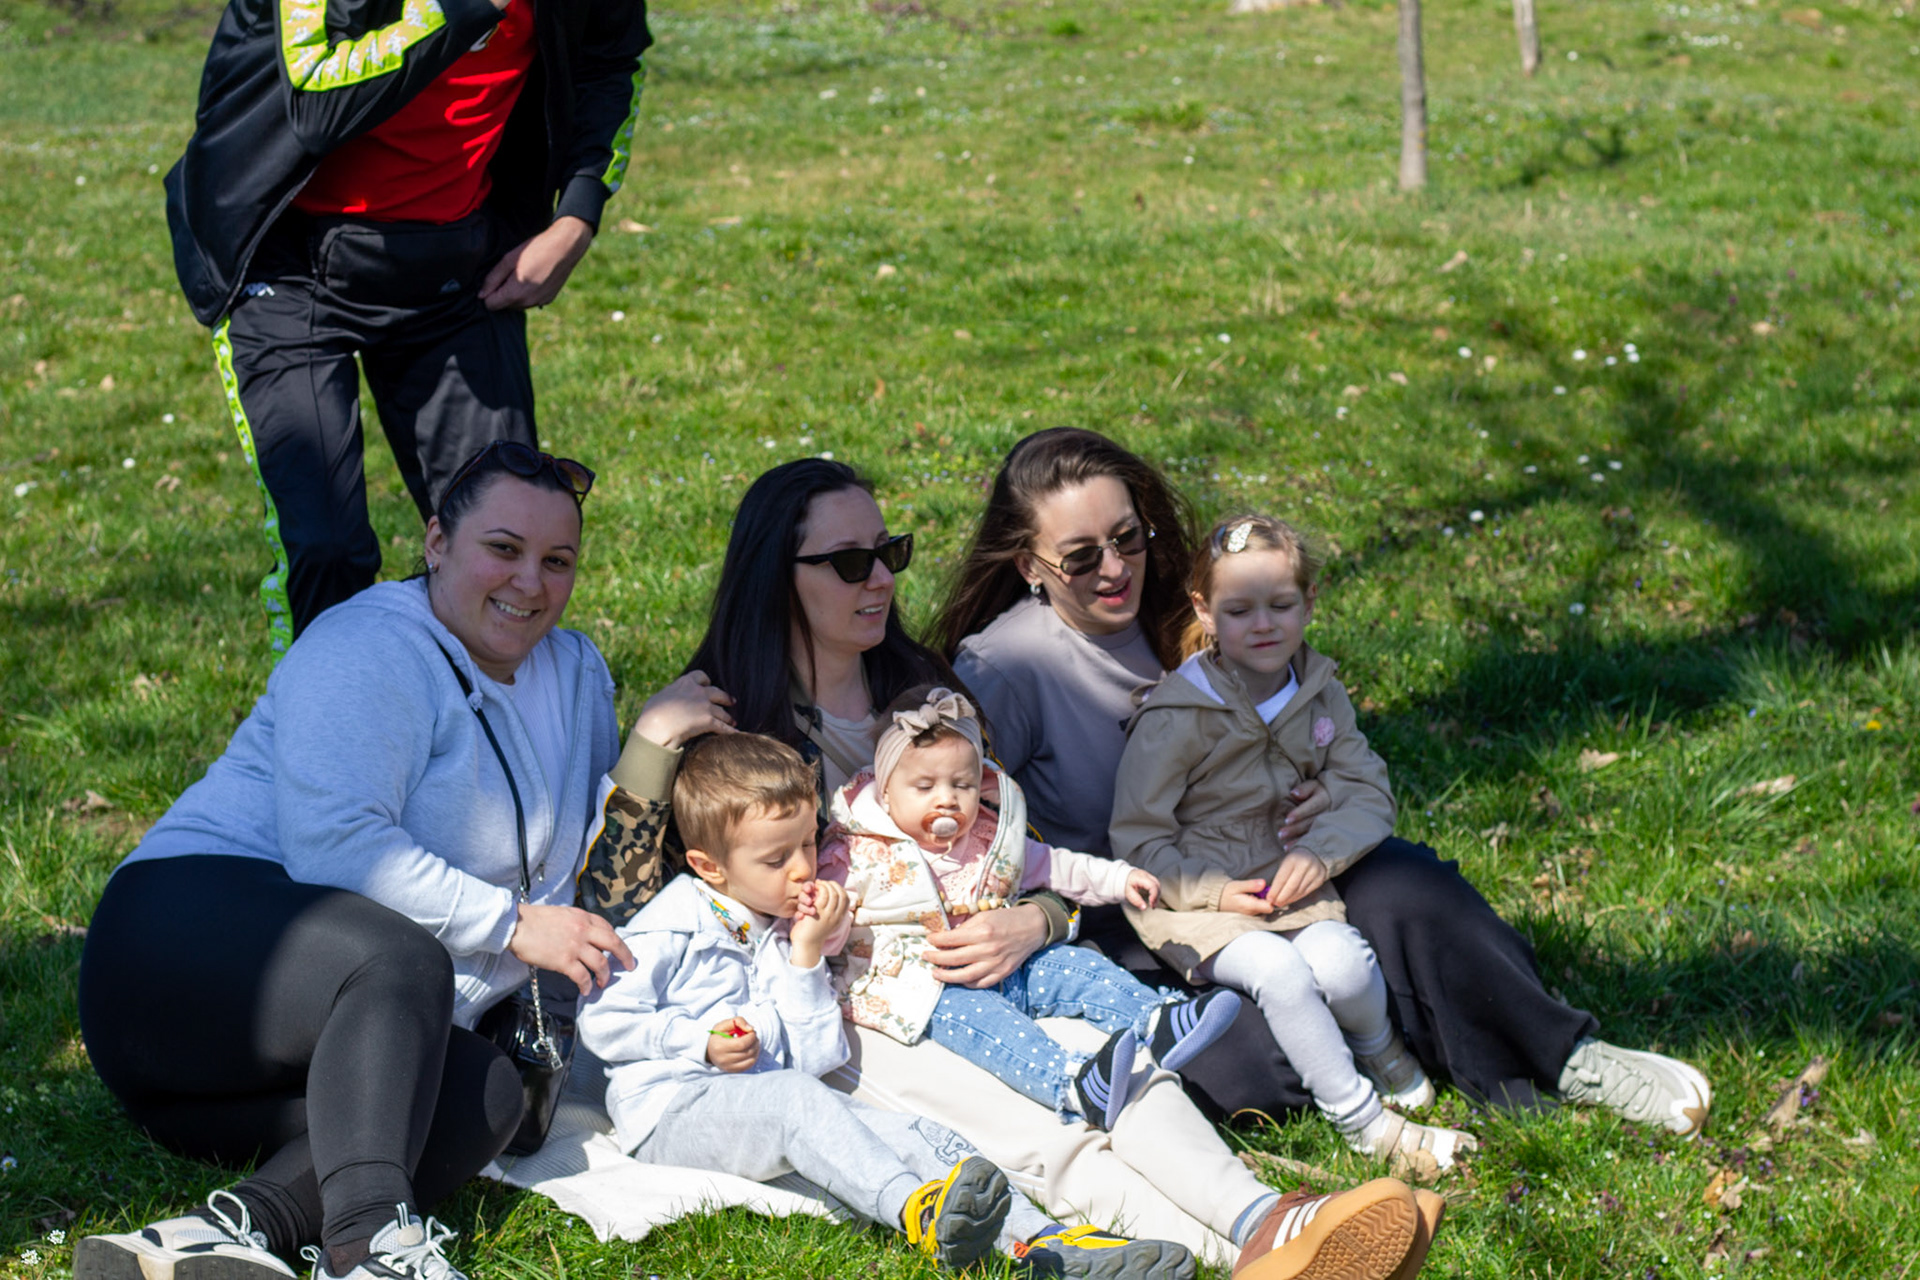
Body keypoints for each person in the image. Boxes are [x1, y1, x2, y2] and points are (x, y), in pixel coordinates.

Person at [576, 456, 1440, 1280]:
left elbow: (1019, 848)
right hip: (853, 1002)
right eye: (847, 562)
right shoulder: (728, 725)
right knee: (1029, 1117)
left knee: (1117, 1063)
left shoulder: (924, 690)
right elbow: (621, 917)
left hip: (993, 961)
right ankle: (1227, 1255)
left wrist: (1039, 920)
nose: (879, 580)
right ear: (777, 577)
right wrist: (649, 746)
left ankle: (1264, 1219)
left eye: (888, 553)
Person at [933, 426, 1714, 1138]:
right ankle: (1386, 1037)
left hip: (1279, 861)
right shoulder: (1007, 669)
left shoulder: (1199, 606)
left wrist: (1320, 793)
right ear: (1029, 566)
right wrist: (1053, 915)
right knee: (1242, 1057)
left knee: (1416, 892)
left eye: (1128, 537)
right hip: (1139, 911)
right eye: (1080, 556)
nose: (1114, 569)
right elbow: (960, 837)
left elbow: (1317, 734)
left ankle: (1563, 1054)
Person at [74, 442, 634, 1280]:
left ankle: (212, 1238)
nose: (530, 582)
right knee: (398, 955)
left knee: (485, 1093)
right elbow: (338, 847)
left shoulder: (576, 672)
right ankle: (372, 1247)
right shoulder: (368, 645)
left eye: (558, 560)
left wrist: (659, 741)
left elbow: (581, 855)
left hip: (282, 1071)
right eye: (503, 548)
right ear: (437, 541)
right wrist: (511, 926)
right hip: (170, 966)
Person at [577, 732, 1199, 1278]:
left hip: (775, 1100)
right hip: (673, 1109)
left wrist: (806, 955)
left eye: (807, 844)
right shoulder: (671, 925)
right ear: (708, 866)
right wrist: (697, 1042)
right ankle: (916, 1212)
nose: (802, 870)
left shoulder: (788, 931)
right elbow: (602, 1021)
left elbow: (815, 1060)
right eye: (775, 858)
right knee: (796, 1102)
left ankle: (1044, 1243)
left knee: (921, 1132)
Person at [164, 0, 650, 651]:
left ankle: (478, 714)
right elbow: (315, 101)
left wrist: (578, 215)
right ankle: (330, 715)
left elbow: (611, 56)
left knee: (504, 543)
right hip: (285, 261)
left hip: (453, 265)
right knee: (327, 551)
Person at [1111, 514, 1477, 1167]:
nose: (1263, 625)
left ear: (1309, 602)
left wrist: (1320, 845)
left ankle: (1380, 1052)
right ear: (1205, 610)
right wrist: (1215, 892)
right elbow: (1139, 839)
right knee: (1277, 970)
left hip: (1286, 878)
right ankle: (1362, 1122)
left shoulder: (1318, 690)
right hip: (1194, 900)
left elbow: (1366, 786)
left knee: (1341, 963)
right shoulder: (1177, 716)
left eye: (1281, 606)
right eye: (1239, 610)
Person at [822, 685, 1242, 1130]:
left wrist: (1119, 878)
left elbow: (1058, 867)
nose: (946, 799)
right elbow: (826, 930)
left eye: (962, 785)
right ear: (885, 792)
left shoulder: (990, 839)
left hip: (1013, 964)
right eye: (924, 786)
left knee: (1074, 968)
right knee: (996, 1030)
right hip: (929, 989)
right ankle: (1072, 1084)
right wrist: (824, 921)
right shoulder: (854, 854)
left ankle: (1156, 1019)